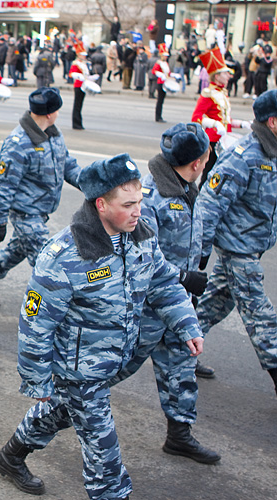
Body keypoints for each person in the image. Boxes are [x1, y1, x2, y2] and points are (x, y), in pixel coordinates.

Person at [0, 153, 204, 500]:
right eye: (128, 204)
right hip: (78, 371)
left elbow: (163, 282)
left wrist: (186, 323)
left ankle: (11, 456)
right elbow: (35, 323)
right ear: (101, 204)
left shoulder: (141, 237)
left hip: (113, 361)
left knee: (59, 412)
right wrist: (36, 378)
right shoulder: (64, 255)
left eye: (140, 201)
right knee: (103, 453)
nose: (138, 211)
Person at [108, 122, 221, 464]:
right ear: (198, 162)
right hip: (143, 309)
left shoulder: (186, 184)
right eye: (206, 154)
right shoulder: (151, 198)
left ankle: (179, 434)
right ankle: (39, 423)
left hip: (173, 302)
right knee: (107, 374)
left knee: (181, 365)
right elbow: (141, 262)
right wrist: (185, 277)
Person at [196, 90, 277, 398]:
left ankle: (180, 348)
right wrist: (201, 251)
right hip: (237, 247)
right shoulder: (245, 155)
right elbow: (210, 203)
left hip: (254, 243)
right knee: (260, 314)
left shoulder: (273, 152)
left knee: (217, 301)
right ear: (272, 122)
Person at [0, 88, 81, 307]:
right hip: (25, 213)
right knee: (47, 263)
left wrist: (88, 184)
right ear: (49, 113)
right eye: (57, 110)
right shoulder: (19, 142)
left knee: (15, 252)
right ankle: (50, 314)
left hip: (41, 211)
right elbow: (4, 184)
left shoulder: (53, 134)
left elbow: (67, 164)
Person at [192, 47, 251, 190]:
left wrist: (242, 124)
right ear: (217, 76)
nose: (229, 76)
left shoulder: (223, 94)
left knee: (222, 174)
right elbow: (196, 117)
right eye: (226, 73)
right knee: (208, 174)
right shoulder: (208, 93)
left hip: (224, 139)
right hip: (212, 141)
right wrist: (214, 124)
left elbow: (226, 120)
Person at [69, 43, 90, 130]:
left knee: (80, 105)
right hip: (78, 85)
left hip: (83, 85)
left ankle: (79, 122)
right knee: (77, 105)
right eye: (83, 55)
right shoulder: (76, 63)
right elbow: (71, 74)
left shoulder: (83, 64)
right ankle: (76, 123)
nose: (84, 57)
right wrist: (78, 75)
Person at [152, 44, 171, 122]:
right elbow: (154, 71)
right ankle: (158, 117)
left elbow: (168, 73)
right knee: (159, 101)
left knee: (162, 101)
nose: (166, 57)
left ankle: (160, 116)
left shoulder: (166, 63)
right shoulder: (159, 63)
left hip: (165, 82)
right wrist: (161, 75)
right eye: (165, 55)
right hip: (160, 83)